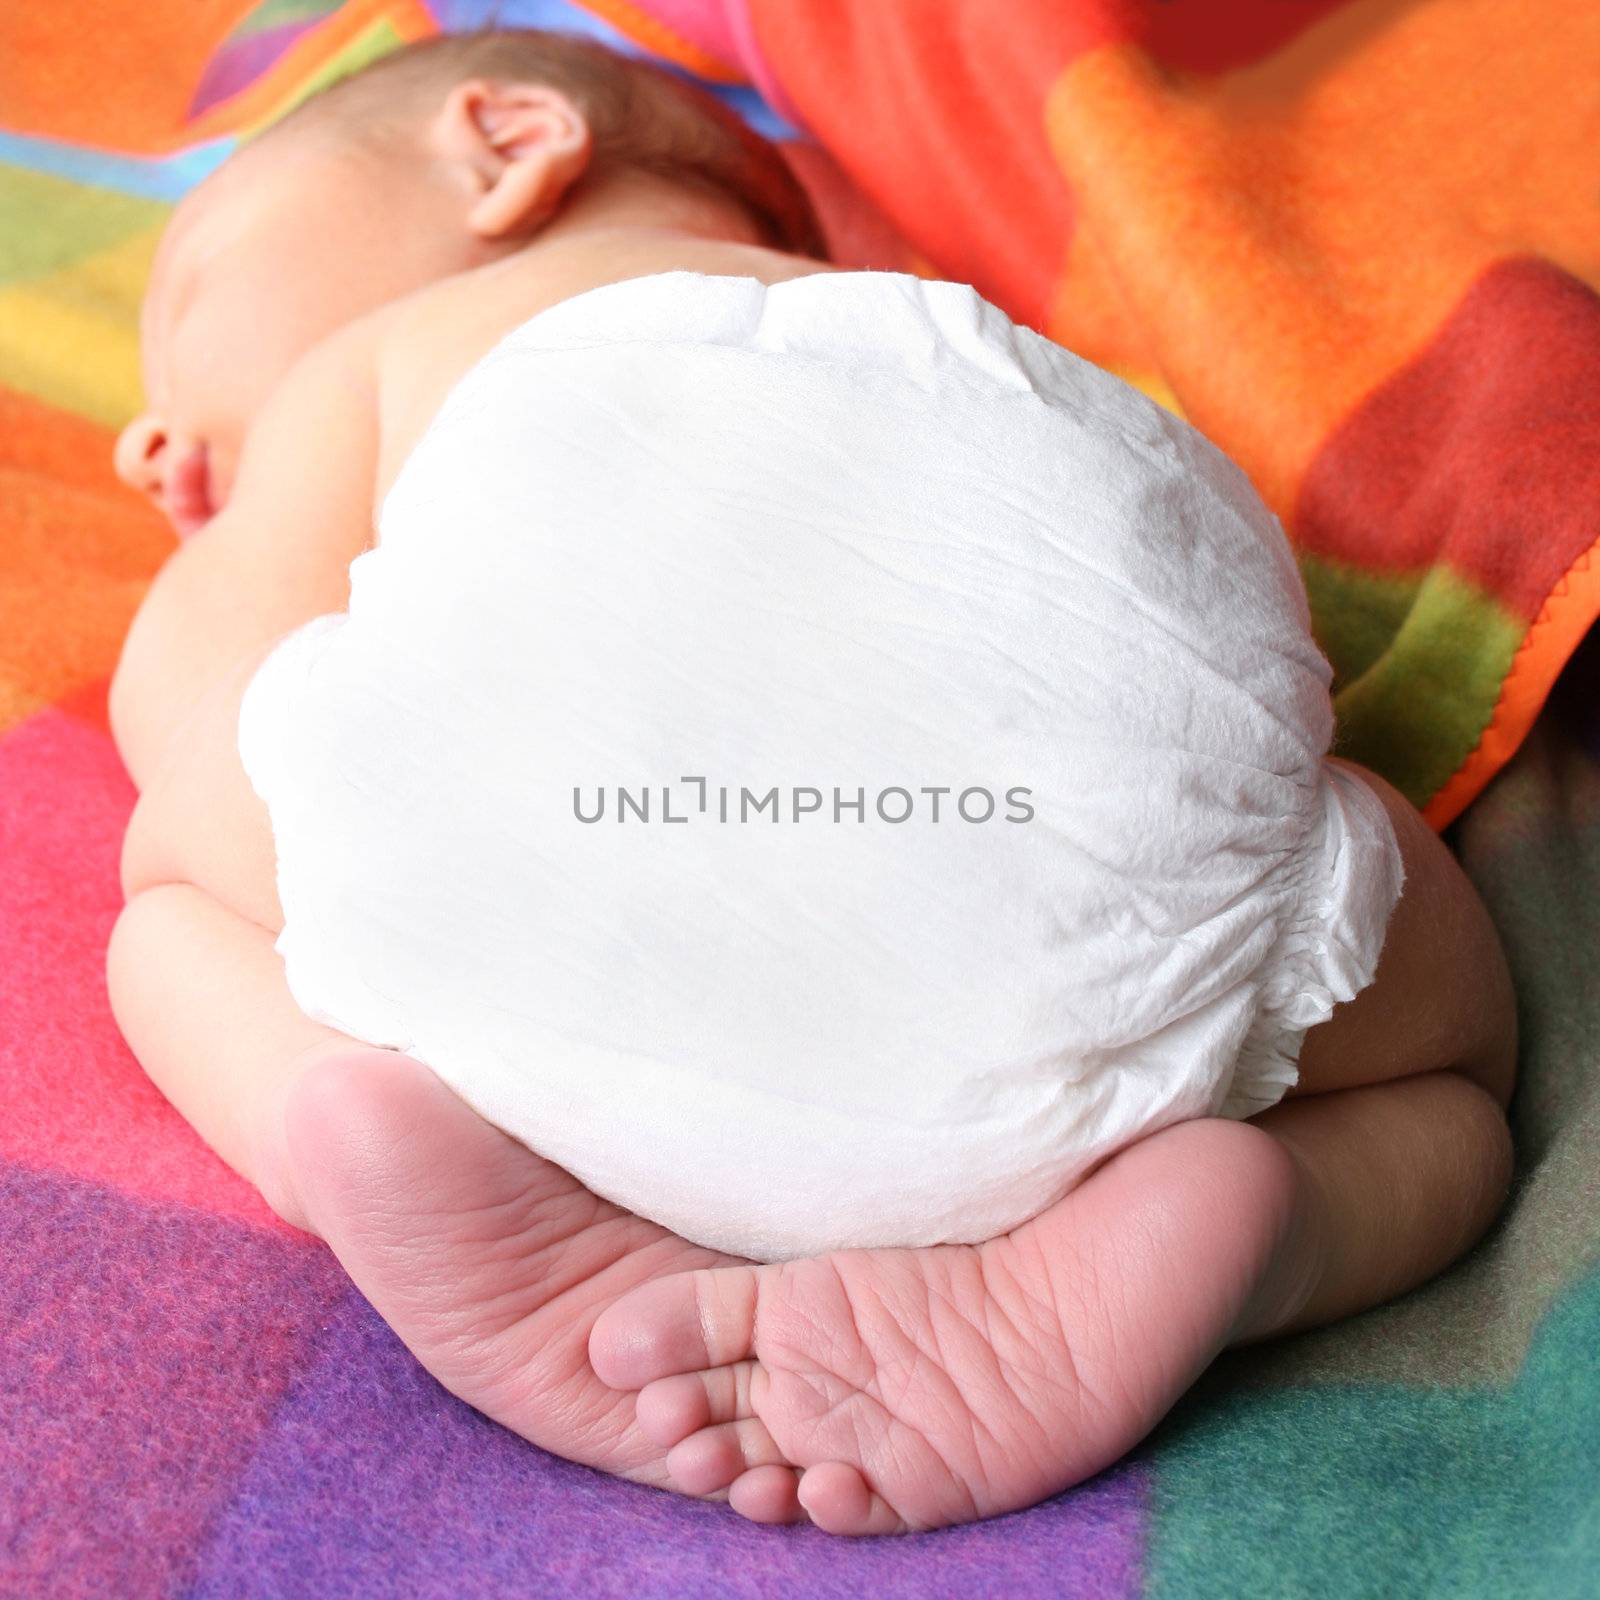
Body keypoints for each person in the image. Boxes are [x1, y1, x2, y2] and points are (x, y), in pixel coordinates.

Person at [108, 30, 1516, 1535]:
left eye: (188, 296)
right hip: (1081, 897)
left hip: (562, 889)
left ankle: (377, 1136)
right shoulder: (938, 332)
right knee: (1455, 1076)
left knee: (166, 911)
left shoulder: (409, 352)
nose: (144, 443)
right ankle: (1260, 1222)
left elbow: (188, 695)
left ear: (508, 141)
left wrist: (227, 647)